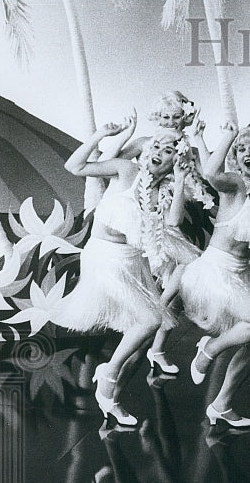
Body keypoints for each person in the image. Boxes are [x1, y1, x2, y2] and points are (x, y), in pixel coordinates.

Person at [52, 121, 183, 427]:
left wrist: (179, 182)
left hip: (132, 261)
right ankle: (108, 374)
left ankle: (110, 399)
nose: (160, 154)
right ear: (147, 148)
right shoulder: (127, 170)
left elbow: (174, 221)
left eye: (169, 152)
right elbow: (75, 166)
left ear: (176, 161)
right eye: (157, 147)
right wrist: (101, 135)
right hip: (103, 258)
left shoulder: (166, 190)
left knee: (141, 337)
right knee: (151, 320)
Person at [178, 122, 250, 429]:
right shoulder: (234, 184)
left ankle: (222, 404)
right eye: (241, 149)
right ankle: (208, 349)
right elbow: (210, 174)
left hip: (242, 275)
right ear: (235, 158)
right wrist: (227, 135)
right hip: (216, 272)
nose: (248, 153)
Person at [104, 92, 215, 376]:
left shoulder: (185, 149)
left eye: (176, 117)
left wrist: (197, 150)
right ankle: (149, 331)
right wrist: (124, 134)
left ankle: (158, 347)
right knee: (176, 277)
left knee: (182, 282)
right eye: (165, 117)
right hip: (139, 223)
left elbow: (208, 174)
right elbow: (112, 163)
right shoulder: (145, 144)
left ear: (185, 119)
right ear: (156, 119)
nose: (170, 123)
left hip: (171, 219)